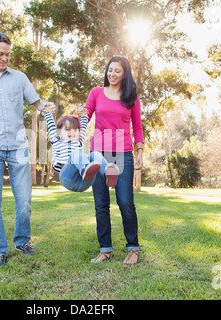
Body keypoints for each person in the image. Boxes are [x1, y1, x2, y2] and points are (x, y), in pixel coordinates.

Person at [0, 32, 56, 266]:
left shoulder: (19, 77)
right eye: (0, 54)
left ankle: (22, 241)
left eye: (7, 54)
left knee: (24, 200)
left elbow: (36, 103)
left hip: (18, 147)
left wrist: (45, 106)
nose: (4, 58)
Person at [84, 56, 144, 265]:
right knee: (101, 204)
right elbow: (85, 116)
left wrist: (139, 152)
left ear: (124, 74)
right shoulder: (96, 93)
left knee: (125, 201)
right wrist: (74, 120)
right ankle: (105, 249)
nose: (112, 74)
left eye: (117, 71)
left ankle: (133, 249)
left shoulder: (131, 97)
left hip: (123, 153)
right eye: (110, 70)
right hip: (98, 154)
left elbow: (137, 126)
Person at [44, 109, 119, 192]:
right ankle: (84, 169)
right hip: (68, 179)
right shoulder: (57, 140)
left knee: (94, 154)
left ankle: (107, 173)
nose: (72, 132)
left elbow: (83, 126)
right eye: (68, 129)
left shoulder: (79, 141)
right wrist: (48, 112)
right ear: (59, 134)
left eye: (75, 130)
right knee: (76, 152)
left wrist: (84, 116)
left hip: (85, 182)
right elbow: (51, 126)